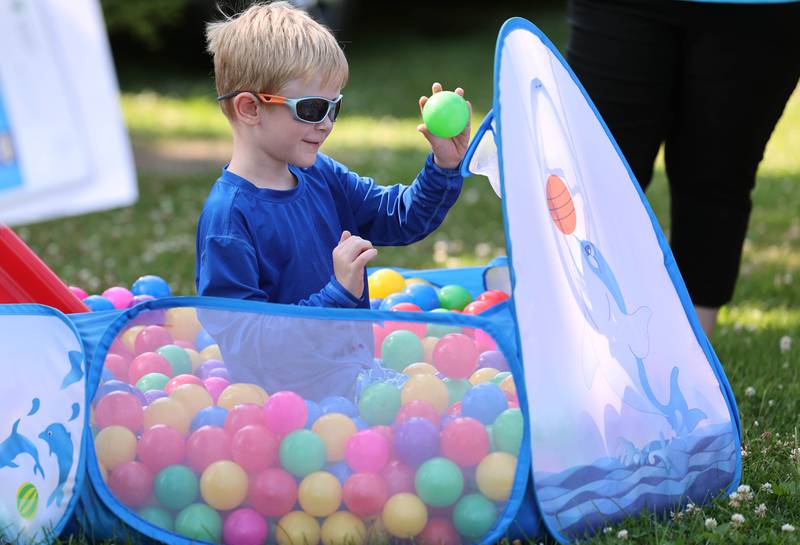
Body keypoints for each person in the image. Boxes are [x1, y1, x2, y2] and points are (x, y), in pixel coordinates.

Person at [195, 1, 470, 398]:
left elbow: (400, 217)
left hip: (352, 382)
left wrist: (443, 166)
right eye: (310, 108)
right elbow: (248, 345)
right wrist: (336, 295)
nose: (325, 124)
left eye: (333, 107)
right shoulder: (229, 220)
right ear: (250, 107)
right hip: (286, 411)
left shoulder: (320, 173)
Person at [566, 0, 800, 337]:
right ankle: (568, 342)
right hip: (620, 10)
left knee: (716, 178)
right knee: (590, 173)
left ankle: (692, 363)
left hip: (756, 10)